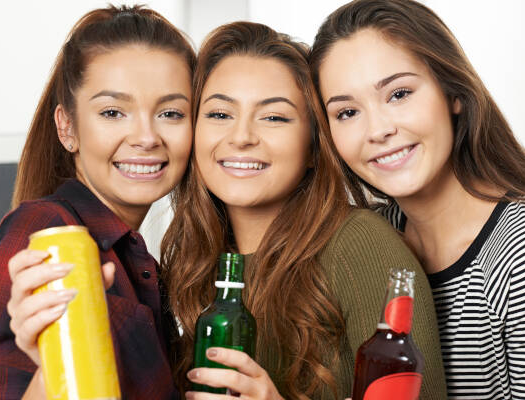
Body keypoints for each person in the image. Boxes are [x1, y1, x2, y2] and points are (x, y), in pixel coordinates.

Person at [160, 21, 447, 400]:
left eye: (274, 117)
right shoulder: (196, 261)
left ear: (313, 146)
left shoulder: (358, 243)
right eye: (219, 114)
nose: (242, 136)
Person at [309, 0, 525, 398]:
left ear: (453, 93)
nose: (379, 129)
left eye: (399, 93)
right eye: (347, 112)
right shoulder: (367, 240)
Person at [0, 5, 195, 399]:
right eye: (112, 112)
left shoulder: (141, 264)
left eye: (170, 113)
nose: (146, 137)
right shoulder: (42, 233)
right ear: (67, 127)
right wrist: (50, 367)